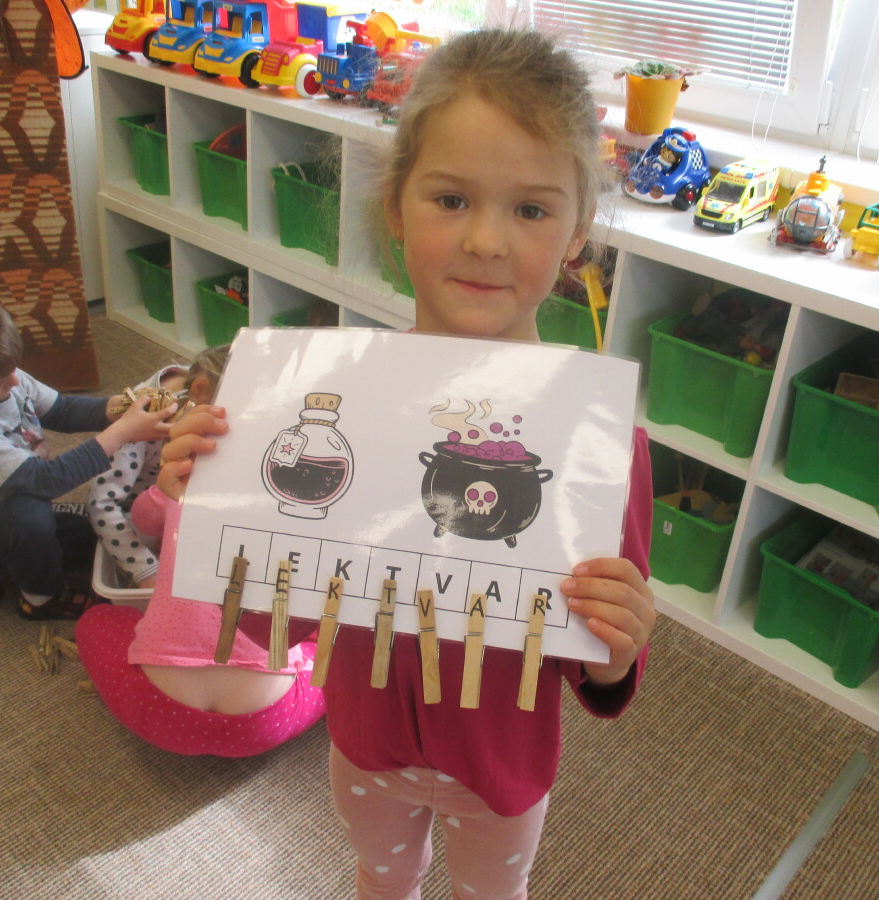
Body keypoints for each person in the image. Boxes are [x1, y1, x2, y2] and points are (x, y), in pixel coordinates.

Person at [159, 28, 655, 899]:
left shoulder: (598, 440)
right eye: (452, 199)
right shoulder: (333, 406)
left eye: (531, 210)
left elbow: (596, 660)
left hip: (501, 764)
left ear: (578, 231)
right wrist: (213, 509)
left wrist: (619, 641)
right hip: (366, 745)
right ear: (396, 205)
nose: (487, 241)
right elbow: (284, 621)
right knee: (381, 880)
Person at [74, 348, 326, 757]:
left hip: (161, 715)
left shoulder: (184, 479)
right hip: (264, 723)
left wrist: (161, 494)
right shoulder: (305, 503)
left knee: (95, 620)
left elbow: (141, 521)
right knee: (334, 643)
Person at [0, 277, 175, 620]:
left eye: (12, 371)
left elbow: (61, 410)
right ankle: (39, 599)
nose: (15, 383)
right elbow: (45, 481)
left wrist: (120, 408)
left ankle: (9, 572)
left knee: (99, 533)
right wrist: (122, 432)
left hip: (16, 511)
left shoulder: (1, 374)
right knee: (29, 515)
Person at [87, 346, 229, 590]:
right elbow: (101, 503)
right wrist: (145, 571)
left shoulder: (201, 386)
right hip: (139, 515)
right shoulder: (138, 427)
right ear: (199, 389)